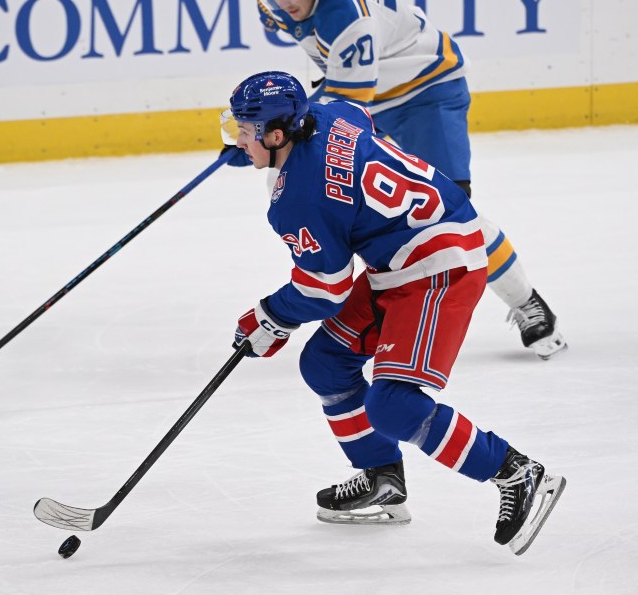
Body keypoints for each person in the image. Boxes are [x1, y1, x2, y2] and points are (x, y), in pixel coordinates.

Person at [223, 70, 565, 555]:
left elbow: (326, 290)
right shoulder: (330, 112)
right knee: (324, 362)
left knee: (395, 405)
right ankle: (383, 478)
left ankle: (516, 472)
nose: (237, 139)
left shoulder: (297, 201)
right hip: (407, 253)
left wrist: (269, 317)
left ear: (278, 135)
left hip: (440, 267)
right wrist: (266, 156)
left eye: (245, 131)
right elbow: (358, 128)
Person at [247, 0, 566, 360]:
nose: (283, 0)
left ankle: (525, 300)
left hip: (426, 94)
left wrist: (273, 129)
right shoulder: (288, 6)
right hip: (372, 99)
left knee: (451, 214)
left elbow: (345, 105)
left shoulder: (347, 14)